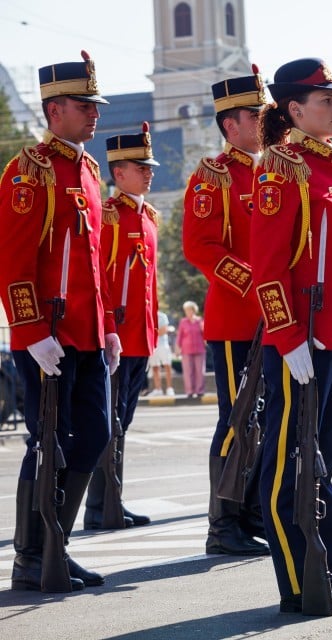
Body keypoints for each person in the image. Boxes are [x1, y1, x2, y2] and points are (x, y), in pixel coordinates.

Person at [251, 57, 332, 614]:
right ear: (295, 110)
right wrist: (287, 333)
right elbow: (268, 264)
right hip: (305, 338)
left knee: (322, 459)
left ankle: (326, 569)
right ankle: (298, 580)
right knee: (289, 463)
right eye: (327, 99)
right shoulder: (280, 168)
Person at [0, 50, 117, 591]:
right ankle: (31, 554)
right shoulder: (30, 170)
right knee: (49, 442)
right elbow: (15, 260)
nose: (94, 113)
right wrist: (30, 332)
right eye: (83, 104)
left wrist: (109, 326)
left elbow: (94, 261)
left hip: (88, 333)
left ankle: (56, 545)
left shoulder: (88, 170)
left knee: (92, 437)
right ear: (54, 109)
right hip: (49, 333)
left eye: (95, 104)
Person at [182, 66, 269, 557]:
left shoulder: (278, 169)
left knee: (268, 417)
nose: (264, 121)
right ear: (230, 124)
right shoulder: (212, 176)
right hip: (237, 320)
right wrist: (256, 285)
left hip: (277, 318)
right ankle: (223, 523)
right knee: (238, 419)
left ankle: (252, 511)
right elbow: (200, 246)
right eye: (255, 115)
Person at [84, 122, 160, 530]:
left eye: (149, 166)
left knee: (123, 421)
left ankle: (114, 499)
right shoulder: (111, 217)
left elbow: (150, 282)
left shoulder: (147, 216)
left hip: (141, 336)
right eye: (139, 167)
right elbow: (103, 279)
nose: (149, 172)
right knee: (108, 422)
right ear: (118, 173)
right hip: (118, 336)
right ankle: (101, 506)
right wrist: (110, 327)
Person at [175, 301, 206, 397]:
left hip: (199, 349)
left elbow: (204, 334)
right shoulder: (183, 322)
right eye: (186, 310)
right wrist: (177, 348)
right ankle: (189, 391)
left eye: (189, 310)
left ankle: (200, 391)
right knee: (188, 372)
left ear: (193, 310)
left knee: (200, 371)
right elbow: (179, 336)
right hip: (186, 350)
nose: (187, 312)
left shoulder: (200, 320)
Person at [147, 310, 175, 396]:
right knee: (155, 367)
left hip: (163, 345)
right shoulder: (148, 314)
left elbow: (163, 330)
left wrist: (151, 332)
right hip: (152, 346)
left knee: (167, 366)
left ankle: (170, 388)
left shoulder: (162, 316)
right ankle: (158, 389)